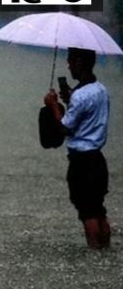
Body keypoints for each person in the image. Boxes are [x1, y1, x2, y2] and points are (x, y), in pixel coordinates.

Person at [43, 47, 111, 249]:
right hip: (98, 160)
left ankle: (93, 255)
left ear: (80, 62)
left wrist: (54, 105)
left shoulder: (80, 97)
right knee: (99, 209)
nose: (69, 65)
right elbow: (87, 111)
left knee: (87, 211)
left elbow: (65, 128)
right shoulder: (101, 90)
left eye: (71, 60)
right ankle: (104, 252)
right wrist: (71, 98)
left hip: (82, 162)